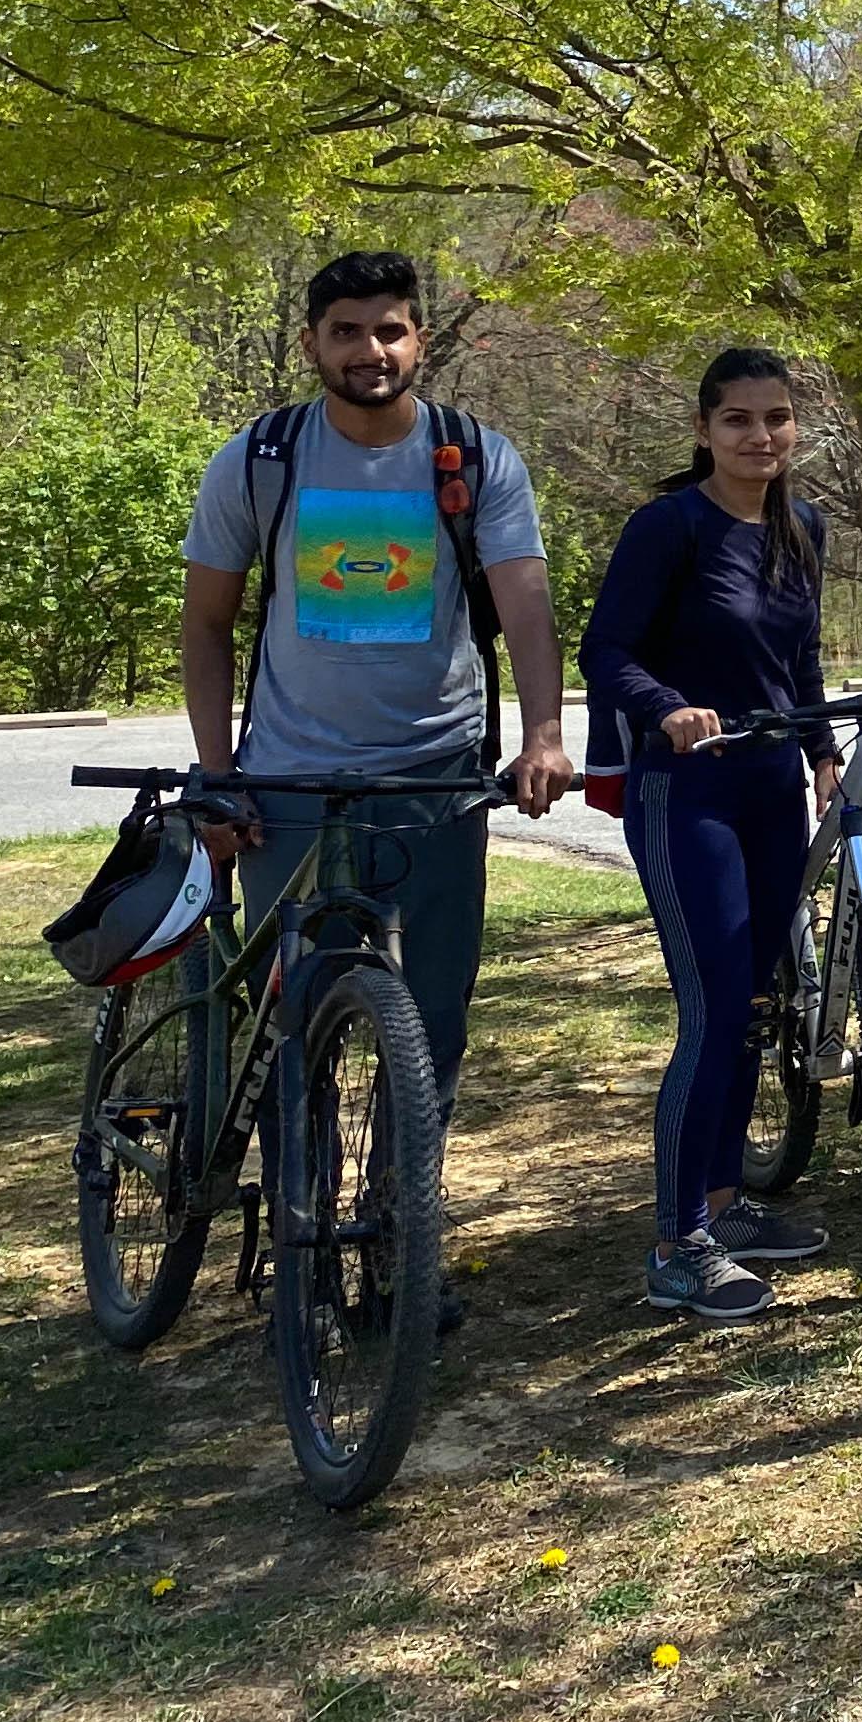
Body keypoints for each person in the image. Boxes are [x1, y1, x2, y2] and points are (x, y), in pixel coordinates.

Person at [180, 251, 575, 1330]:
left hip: (434, 775)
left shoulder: (474, 456)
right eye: (348, 332)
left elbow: (527, 610)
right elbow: (207, 624)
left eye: (391, 330)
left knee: (429, 1021)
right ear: (312, 343)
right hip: (289, 781)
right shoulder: (258, 460)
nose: (372, 352)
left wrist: (542, 733)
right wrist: (218, 771)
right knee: (297, 1017)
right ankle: (303, 1241)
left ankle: (405, 1239)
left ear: (422, 339)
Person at [580, 349, 836, 1323]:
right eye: (737, 420)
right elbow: (605, 648)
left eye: (776, 419)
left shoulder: (801, 527)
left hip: (776, 790)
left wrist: (819, 752)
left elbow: (801, 657)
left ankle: (726, 1207)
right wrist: (668, 707)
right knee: (715, 1007)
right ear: (703, 430)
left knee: (758, 1003)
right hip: (686, 795)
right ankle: (676, 1243)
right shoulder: (670, 527)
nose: (759, 436)